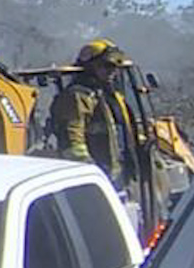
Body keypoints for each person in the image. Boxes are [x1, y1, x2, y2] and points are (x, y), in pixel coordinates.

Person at [49, 39, 132, 186]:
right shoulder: (78, 96)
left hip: (115, 172)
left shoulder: (108, 95)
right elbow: (73, 140)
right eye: (107, 66)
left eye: (116, 67)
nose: (113, 71)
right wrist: (89, 171)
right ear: (91, 66)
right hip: (97, 176)